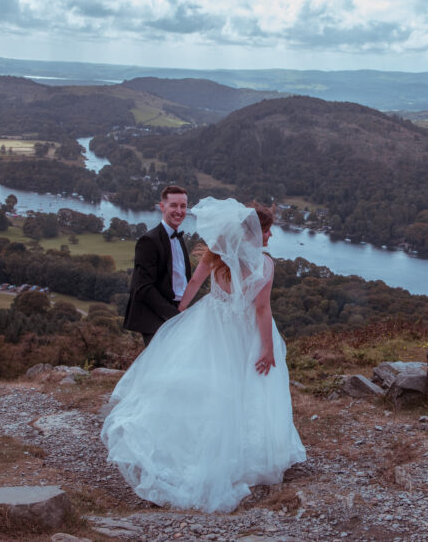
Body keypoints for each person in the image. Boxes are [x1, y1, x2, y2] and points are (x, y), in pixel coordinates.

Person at [100, 197, 306, 513]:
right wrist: (267, 348)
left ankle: (187, 442)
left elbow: (195, 283)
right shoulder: (264, 265)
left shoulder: (217, 254)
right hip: (244, 332)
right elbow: (262, 310)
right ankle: (239, 454)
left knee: (204, 382)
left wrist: (179, 313)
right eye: (267, 231)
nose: (270, 237)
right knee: (245, 388)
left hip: (210, 323)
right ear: (255, 231)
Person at [123, 185, 192, 347]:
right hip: (154, 315)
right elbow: (144, 287)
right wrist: (172, 315)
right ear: (162, 206)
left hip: (177, 310)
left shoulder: (180, 238)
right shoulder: (149, 241)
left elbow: (180, 278)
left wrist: (183, 310)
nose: (179, 211)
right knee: (161, 367)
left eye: (183, 206)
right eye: (173, 205)